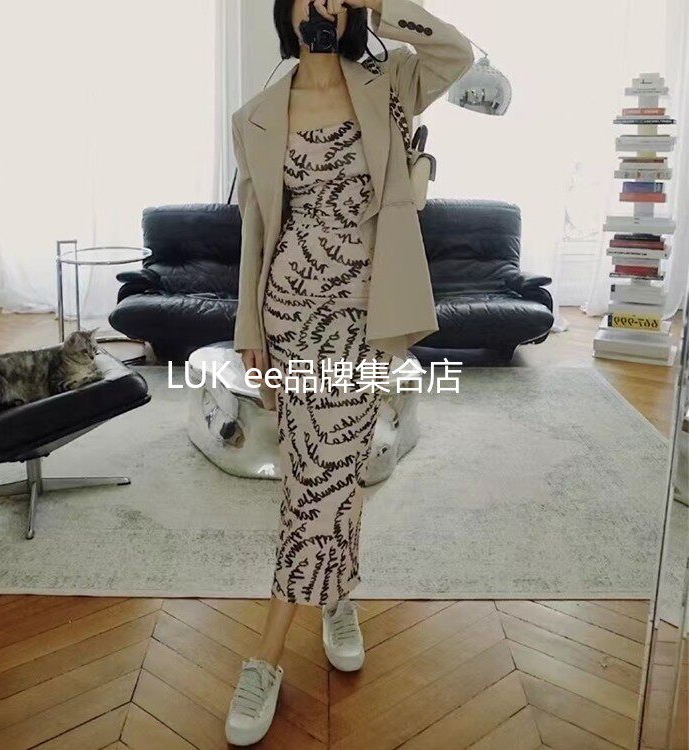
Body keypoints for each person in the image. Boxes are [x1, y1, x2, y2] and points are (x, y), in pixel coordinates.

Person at [225, 0, 474, 744]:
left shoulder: (388, 83)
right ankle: (329, 604)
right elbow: (256, 232)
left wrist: (382, 6)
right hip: (288, 319)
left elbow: (456, 53)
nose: (323, 6)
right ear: (287, 9)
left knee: (333, 471)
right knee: (314, 475)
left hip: (367, 319)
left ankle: (271, 653)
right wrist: (249, 334)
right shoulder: (255, 115)